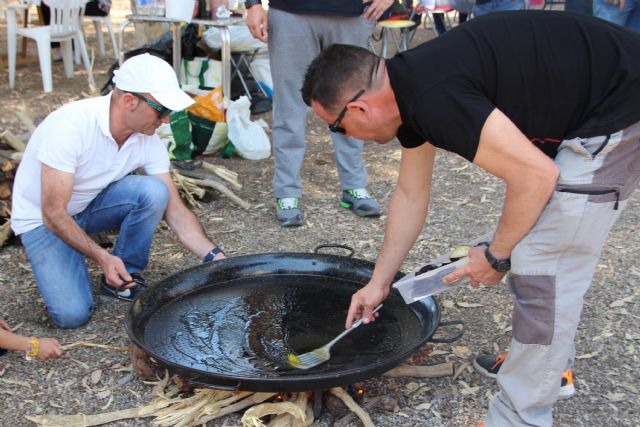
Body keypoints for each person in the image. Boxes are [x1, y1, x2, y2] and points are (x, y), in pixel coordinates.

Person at [301, 11, 640, 427]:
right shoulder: (407, 87)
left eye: (337, 127)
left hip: (620, 103)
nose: (345, 138)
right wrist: (379, 283)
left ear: (358, 107)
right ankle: (544, 369)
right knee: (534, 242)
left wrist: (496, 256)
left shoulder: (433, 96)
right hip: (594, 98)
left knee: (543, 269)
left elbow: (536, 176)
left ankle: (520, 417)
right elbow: (410, 194)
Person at [11, 53, 226, 329]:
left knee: (154, 192)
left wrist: (215, 259)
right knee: (72, 315)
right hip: (42, 219)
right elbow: (53, 213)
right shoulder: (71, 126)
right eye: (162, 110)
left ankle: (122, 277)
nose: (165, 121)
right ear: (129, 101)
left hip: (86, 205)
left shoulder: (147, 138)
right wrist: (101, 256)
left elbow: (175, 210)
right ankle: (96, 259)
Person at [245, 0, 388, 227]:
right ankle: (287, 193)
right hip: (290, 11)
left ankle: (354, 186)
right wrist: (252, 4)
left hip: (350, 13)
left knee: (353, 101)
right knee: (288, 103)